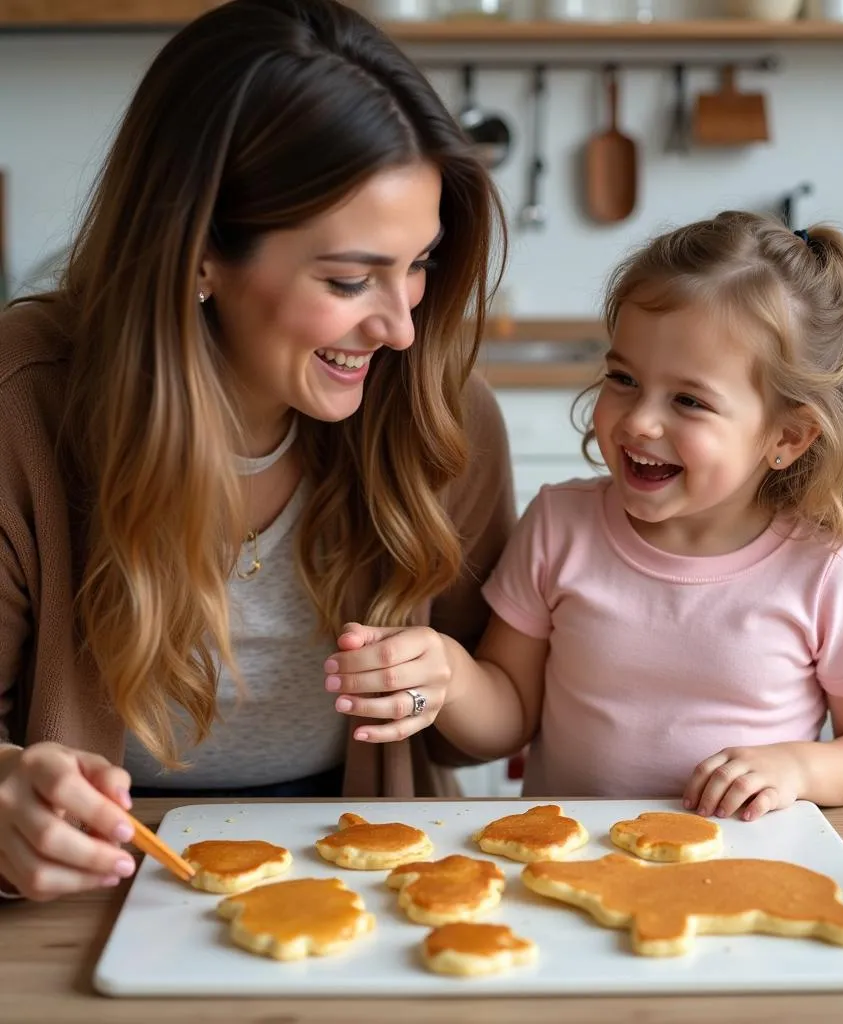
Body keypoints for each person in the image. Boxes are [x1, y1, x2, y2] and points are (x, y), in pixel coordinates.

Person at [0, 0, 515, 902]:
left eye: (421, 263)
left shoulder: (444, 412)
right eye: (350, 279)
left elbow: (484, 725)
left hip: (359, 865)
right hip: (93, 886)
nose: (400, 328)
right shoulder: (21, 407)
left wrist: (444, 683)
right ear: (199, 255)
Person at [328, 211, 843, 820]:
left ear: (788, 437)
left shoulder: (826, 572)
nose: (640, 420)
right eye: (624, 378)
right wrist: (451, 673)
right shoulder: (561, 525)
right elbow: (508, 719)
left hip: (738, 875)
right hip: (566, 863)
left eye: (689, 400)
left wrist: (798, 767)